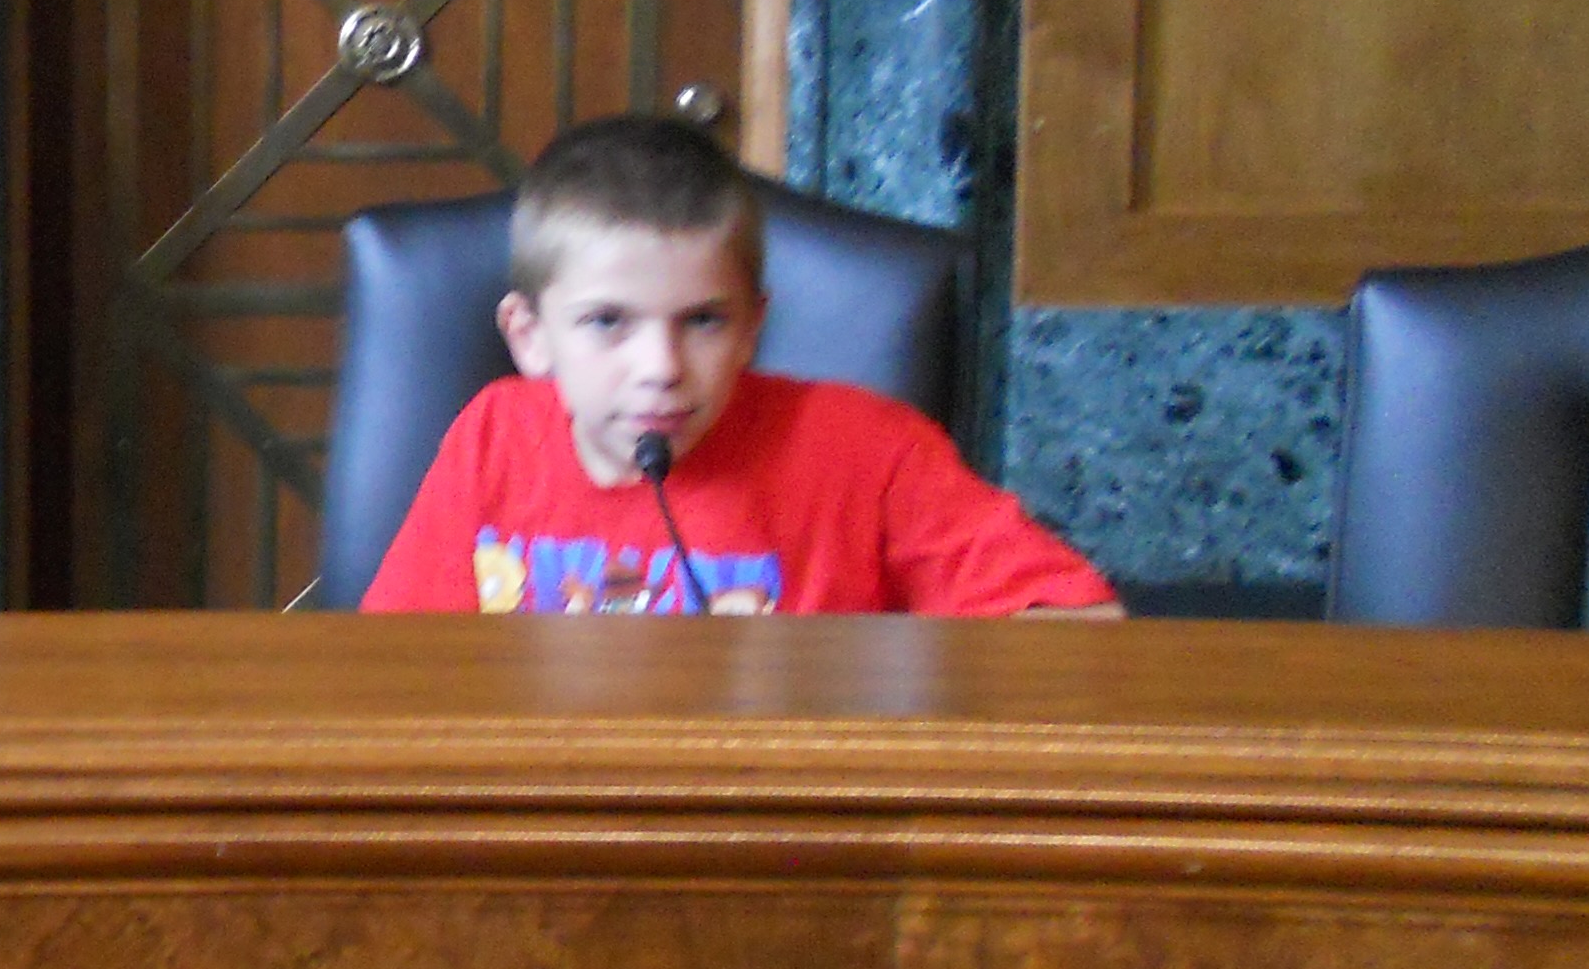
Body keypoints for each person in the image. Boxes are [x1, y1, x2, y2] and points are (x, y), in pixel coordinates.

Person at [361, 114, 1120, 619]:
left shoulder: (870, 451)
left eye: (703, 321)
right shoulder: (495, 435)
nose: (660, 368)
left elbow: (1083, 626)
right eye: (608, 323)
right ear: (530, 337)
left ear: (754, 327)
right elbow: (398, 666)